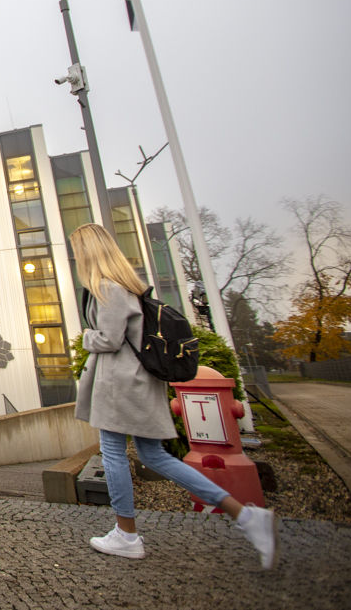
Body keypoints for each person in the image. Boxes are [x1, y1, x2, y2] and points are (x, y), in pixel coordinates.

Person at [70, 222, 280, 568]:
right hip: (138, 382)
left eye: (78, 249)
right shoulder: (126, 286)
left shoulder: (107, 287)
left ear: (88, 252)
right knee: (154, 456)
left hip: (120, 384)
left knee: (113, 452)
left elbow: (108, 339)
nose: (76, 256)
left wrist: (85, 337)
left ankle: (126, 534)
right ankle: (243, 515)